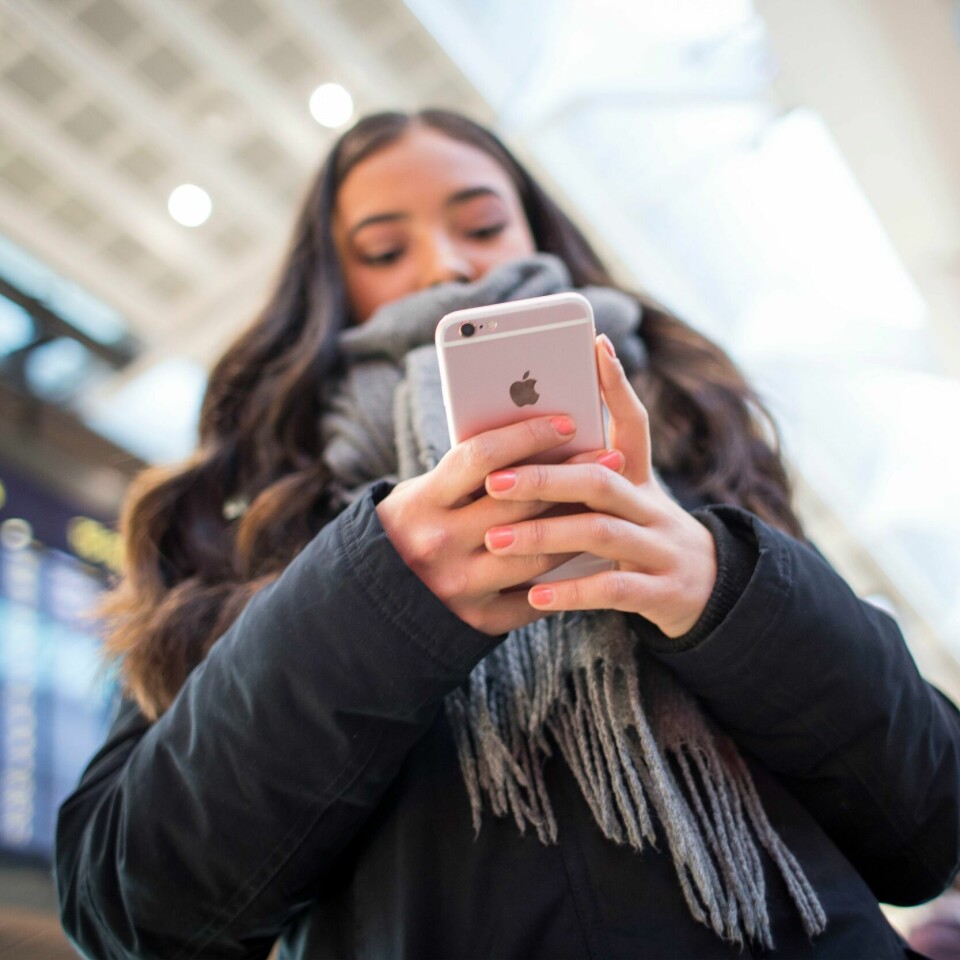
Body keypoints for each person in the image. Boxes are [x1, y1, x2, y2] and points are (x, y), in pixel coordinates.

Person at [54, 109, 959, 959]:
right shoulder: (246, 531)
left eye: (483, 226)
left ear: (539, 236)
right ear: (330, 286)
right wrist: (374, 598)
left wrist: (723, 588)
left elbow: (933, 826)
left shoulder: (705, 461)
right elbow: (133, 911)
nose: (444, 264)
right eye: (381, 247)